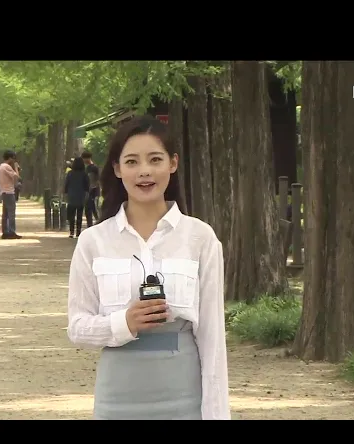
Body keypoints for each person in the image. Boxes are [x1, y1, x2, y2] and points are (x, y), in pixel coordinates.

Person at [66, 115, 230, 420]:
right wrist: (124, 323)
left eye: (155, 159)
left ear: (173, 163)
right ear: (117, 169)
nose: (144, 171)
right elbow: (77, 327)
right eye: (132, 162)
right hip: (117, 399)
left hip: (184, 397)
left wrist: (216, 414)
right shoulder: (93, 241)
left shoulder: (200, 237)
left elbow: (212, 338)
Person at [0, 150, 22, 239]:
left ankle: (5, 232)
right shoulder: (6, 167)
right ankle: (11, 232)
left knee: (5, 214)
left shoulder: (1, 167)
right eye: (13, 158)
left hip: (4, 192)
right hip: (9, 192)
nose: (14, 160)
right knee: (11, 213)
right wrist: (16, 168)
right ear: (10, 158)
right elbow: (16, 177)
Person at [63, 156, 90, 238]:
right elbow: (87, 185)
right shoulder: (84, 174)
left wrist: (65, 193)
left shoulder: (70, 173)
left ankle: (71, 232)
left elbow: (66, 184)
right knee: (79, 215)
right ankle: (78, 232)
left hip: (71, 195)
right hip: (81, 195)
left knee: (71, 215)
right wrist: (86, 194)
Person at [82, 150, 100, 227]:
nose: (83, 161)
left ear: (88, 158)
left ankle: (99, 223)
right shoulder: (87, 168)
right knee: (87, 209)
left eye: (84, 159)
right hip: (88, 192)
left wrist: (92, 187)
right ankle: (89, 225)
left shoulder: (94, 168)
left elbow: (97, 180)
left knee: (94, 208)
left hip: (94, 192)